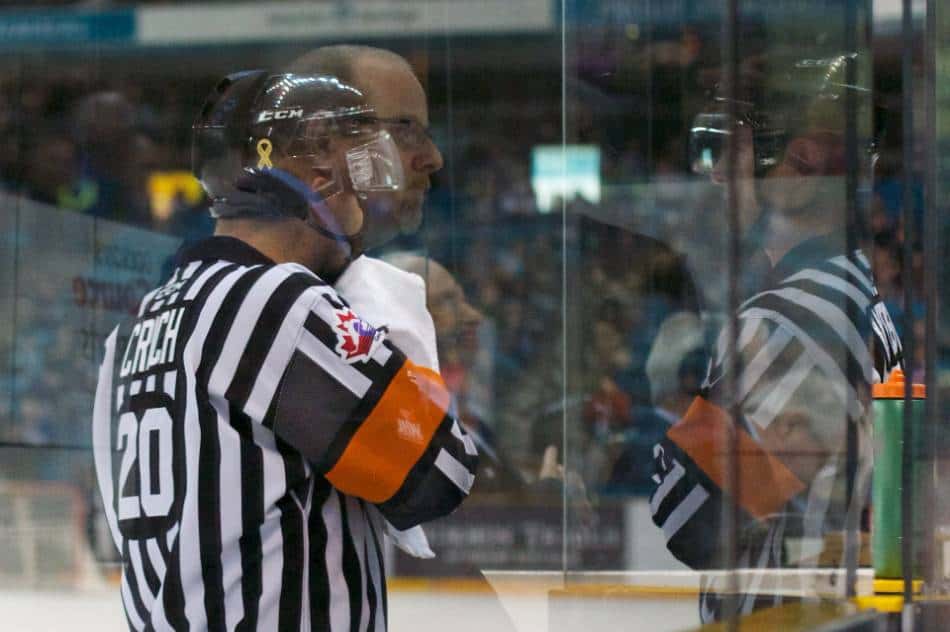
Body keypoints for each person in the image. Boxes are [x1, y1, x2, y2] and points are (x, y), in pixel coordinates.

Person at [91, 45, 477, 631]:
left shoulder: (135, 327)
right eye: (363, 153)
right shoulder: (277, 304)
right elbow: (440, 473)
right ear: (321, 172)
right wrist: (383, 318)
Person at [649, 53, 904, 622]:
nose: (715, 174)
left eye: (731, 149)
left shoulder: (780, 318)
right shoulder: (862, 295)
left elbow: (686, 513)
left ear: (804, 160)